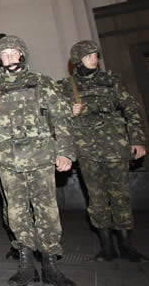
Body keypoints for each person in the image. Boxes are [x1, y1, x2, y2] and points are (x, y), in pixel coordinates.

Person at [0, 35, 76, 286]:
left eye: (12, 53)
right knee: (17, 214)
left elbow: (62, 118)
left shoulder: (42, 82)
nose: (8, 57)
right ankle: (26, 265)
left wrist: (65, 152)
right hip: (8, 160)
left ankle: (51, 265)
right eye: (3, 54)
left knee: (47, 212)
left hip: (40, 157)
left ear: (21, 54)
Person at [59, 40, 147, 262]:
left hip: (116, 147)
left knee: (121, 196)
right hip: (87, 150)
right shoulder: (66, 87)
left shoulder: (111, 81)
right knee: (96, 198)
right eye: (89, 57)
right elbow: (55, 119)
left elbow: (131, 109)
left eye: (96, 56)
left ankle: (127, 245)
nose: (95, 60)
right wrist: (69, 111)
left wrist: (137, 139)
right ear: (78, 61)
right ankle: (107, 246)